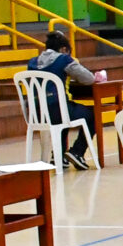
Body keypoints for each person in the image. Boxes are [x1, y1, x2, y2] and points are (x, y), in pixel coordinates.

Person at [26, 30, 102, 170]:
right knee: (93, 114)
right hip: (57, 111)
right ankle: (77, 152)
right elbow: (88, 79)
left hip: (37, 114)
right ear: (63, 49)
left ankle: (59, 156)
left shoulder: (32, 62)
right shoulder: (63, 59)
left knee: (64, 108)